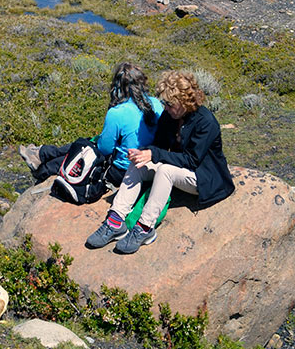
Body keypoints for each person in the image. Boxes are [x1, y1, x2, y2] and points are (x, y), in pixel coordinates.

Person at [86, 68, 234, 254]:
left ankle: (145, 228)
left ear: (184, 101)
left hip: (204, 177)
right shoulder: (170, 116)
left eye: (170, 104)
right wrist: (143, 153)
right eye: (165, 103)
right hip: (181, 167)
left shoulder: (206, 122)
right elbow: (160, 146)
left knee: (165, 171)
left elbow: (192, 160)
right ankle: (115, 221)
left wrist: (154, 154)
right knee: (139, 162)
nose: (166, 108)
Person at [21, 61, 163, 186]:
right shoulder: (156, 104)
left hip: (122, 170)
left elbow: (104, 149)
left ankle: (41, 166)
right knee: (86, 145)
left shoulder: (117, 112)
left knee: (82, 149)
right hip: (151, 163)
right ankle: (41, 155)